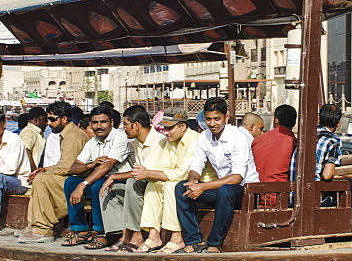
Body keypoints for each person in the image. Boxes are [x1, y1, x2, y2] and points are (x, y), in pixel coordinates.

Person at [174, 97, 258, 253]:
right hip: (221, 190)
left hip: (245, 192)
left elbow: (237, 177)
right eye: (208, 119)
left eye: (217, 119)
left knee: (226, 190)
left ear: (226, 118)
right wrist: (193, 183)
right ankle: (194, 241)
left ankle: (214, 244)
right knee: (181, 188)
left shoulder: (238, 137)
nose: (212, 123)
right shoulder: (204, 137)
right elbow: (196, 165)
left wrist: (203, 186)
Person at [16, 101, 89, 243]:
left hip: (76, 179)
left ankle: (43, 229)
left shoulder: (73, 136)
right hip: (70, 176)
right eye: (48, 119)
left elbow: (68, 167)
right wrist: (44, 169)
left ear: (64, 119)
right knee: (39, 177)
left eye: (52, 119)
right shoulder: (67, 134)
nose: (49, 123)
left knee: (41, 179)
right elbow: (64, 164)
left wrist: (45, 173)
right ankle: (35, 224)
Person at [61, 105, 133, 249]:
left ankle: (100, 232)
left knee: (97, 185)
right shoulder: (92, 142)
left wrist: (83, 185)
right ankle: (79, 229)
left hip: (124, 181)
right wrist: (90, 165)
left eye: (103, 122)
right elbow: (73, 167)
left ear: (111, 122)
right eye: (95, 123)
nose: (99, 126)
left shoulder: (120, 136)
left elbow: (108, 165)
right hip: (102, 180)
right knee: (70, 182)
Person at [135, 108, 205, 253]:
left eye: (170, 128)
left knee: (172, 185)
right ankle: (153, 235)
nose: (166, 132)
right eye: (165, 128)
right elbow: (163, 167)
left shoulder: (195, 140)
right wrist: (149, 174)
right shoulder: (171, 141)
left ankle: (177, 237)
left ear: (183, 126)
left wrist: (148, 172)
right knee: (153, 185)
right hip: (181, 181)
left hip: (201, 184)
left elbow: (181, 174)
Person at [100, 105, 165, 251]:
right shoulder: (137, 141)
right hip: (143, 180)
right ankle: (123, 234)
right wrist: (113, 179)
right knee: (110, 190)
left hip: (156, 183)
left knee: (131, 183)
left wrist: (115, 176)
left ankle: (137, 235)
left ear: (136, 125)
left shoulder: (158, 140)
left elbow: (144, 172)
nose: (124, 128)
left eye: (126, 124)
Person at [290, 103, 352, 217]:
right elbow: (327, 175)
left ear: (319, 119)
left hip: (292, 195)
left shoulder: (303, 136)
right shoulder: (333, 141)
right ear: (338, 123)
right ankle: (344, 225)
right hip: (313, 197)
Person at [251, 105, 297, 182]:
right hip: (283, 190)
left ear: (276, 120)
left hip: (257, 189)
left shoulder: (258, 140)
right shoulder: (294, 143)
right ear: (294, 122)